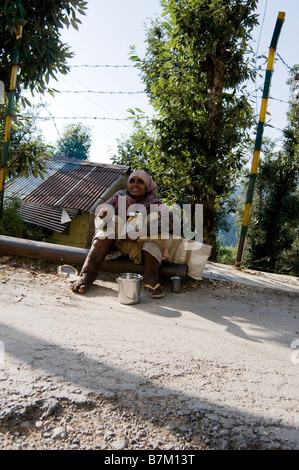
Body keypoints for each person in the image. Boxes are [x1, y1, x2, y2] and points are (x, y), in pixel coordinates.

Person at [71, 170, 177, 298]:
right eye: (132, 181)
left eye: (140, 181)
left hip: (138, 248)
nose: (135, 184)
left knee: (155, 224)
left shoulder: (153, 202)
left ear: (147, 186)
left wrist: (142, 230)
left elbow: (171, 220)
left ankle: (150, 279)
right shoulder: (120, 196)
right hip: (116, 244)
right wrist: (106, 213)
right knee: (109, 227)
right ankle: (86, 275)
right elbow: (107, 207)